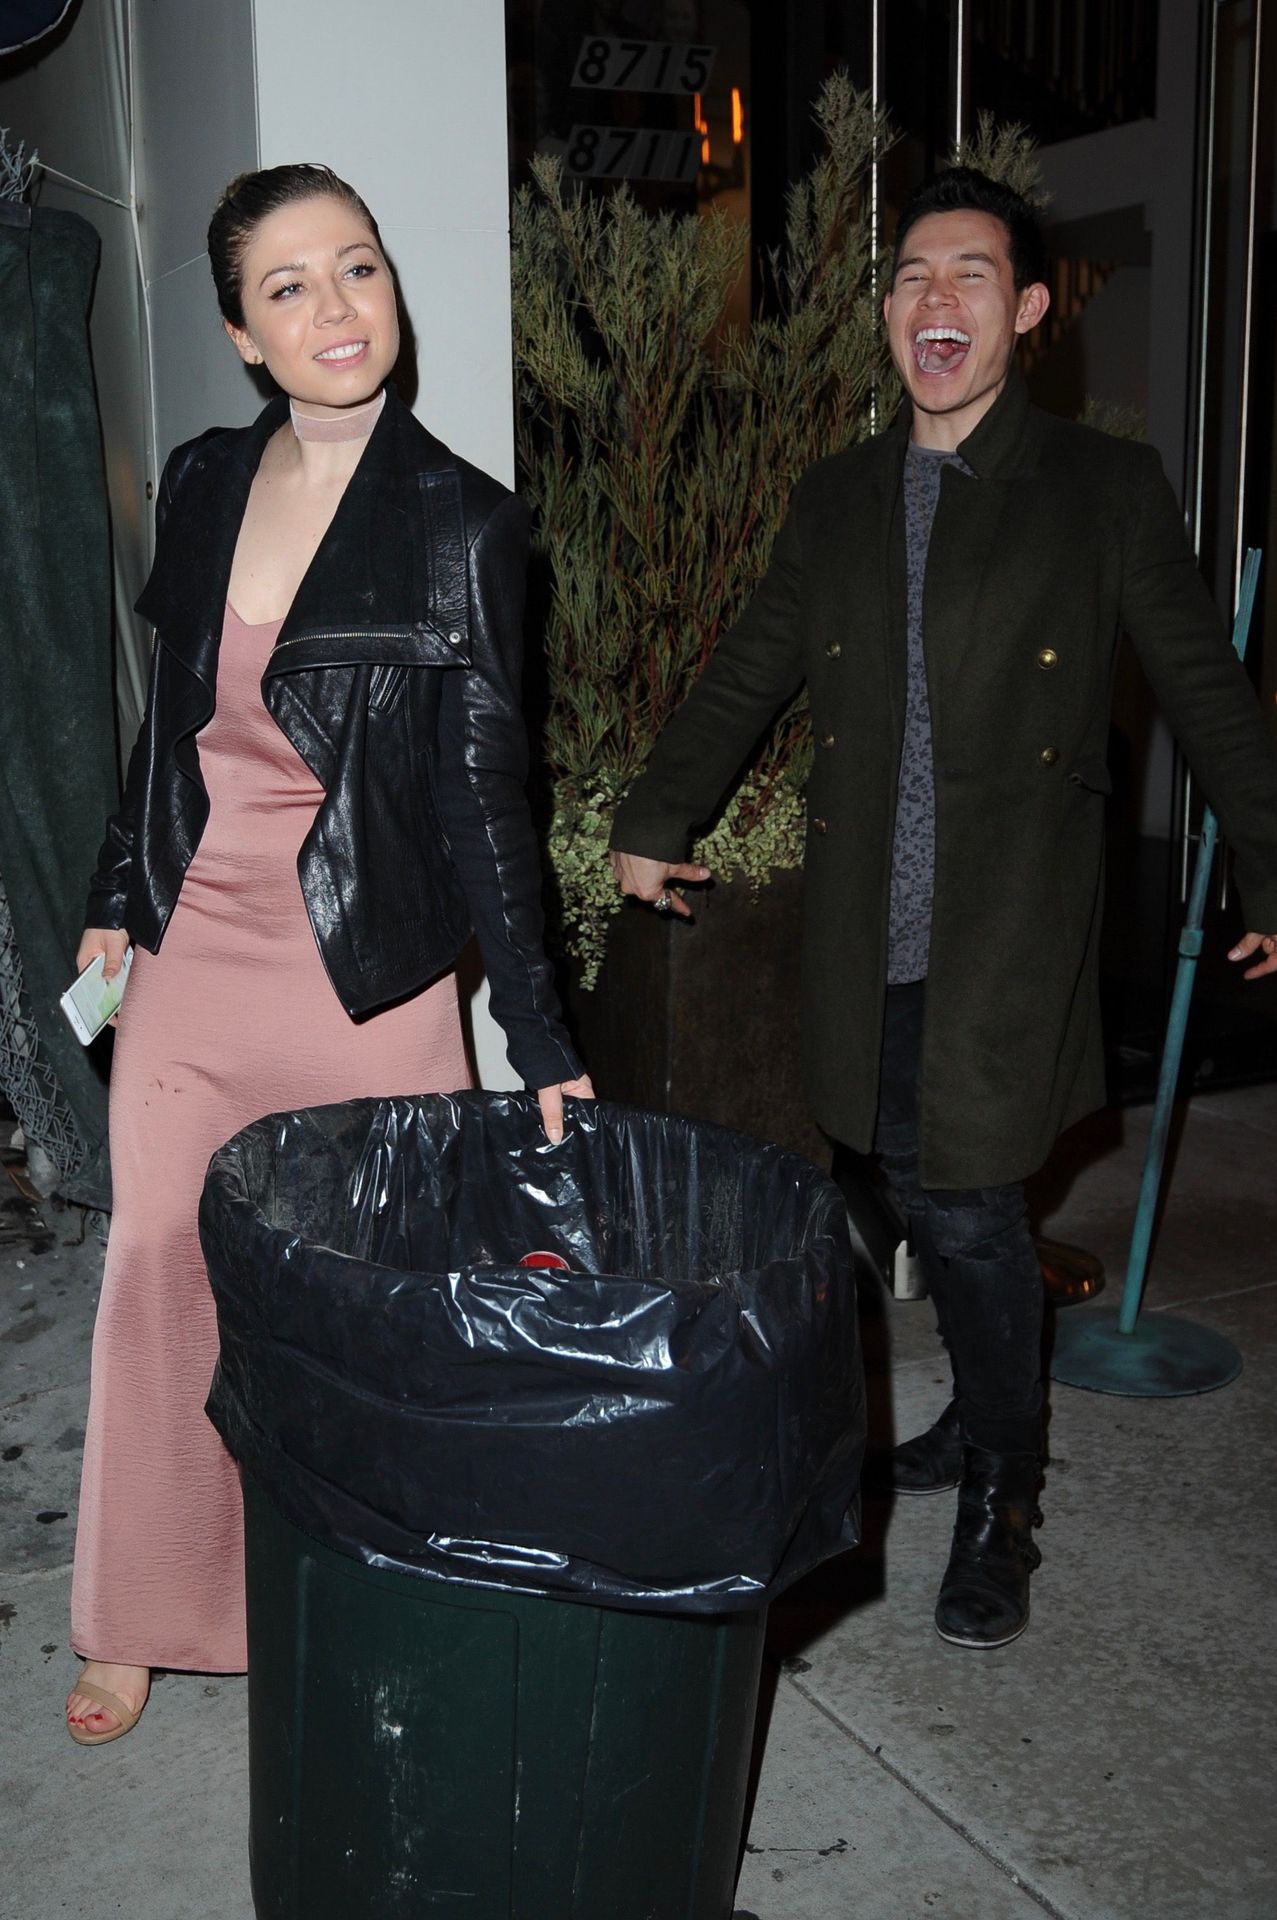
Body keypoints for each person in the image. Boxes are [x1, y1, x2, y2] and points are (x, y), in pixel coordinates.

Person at [609, 166, 1277, 1650]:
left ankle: (1002, 1494)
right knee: (892, 1169)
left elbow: (1206, 692)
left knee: (968, 1208)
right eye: (913, 272)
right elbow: (753, 664)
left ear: (1027, 311)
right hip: (869, 917)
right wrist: (656, 816)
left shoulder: (1100, 490)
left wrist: (1269, 861)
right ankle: (980, 1410)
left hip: (1004, 923)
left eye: (970, 273)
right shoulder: (840, 495)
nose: (936, 297)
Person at [65, 164, 592, 1743]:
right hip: (192, 948)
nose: (335, 306)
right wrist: (117, 887)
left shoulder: (461, 523)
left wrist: (539, 1036)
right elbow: (168, 722)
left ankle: (373, 1594)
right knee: (158, 1267)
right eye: (287, 285)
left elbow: (486, 798)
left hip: (362, 971)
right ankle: (145, 1607)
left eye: (356, 266)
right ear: (243, 333)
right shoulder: (204, 479)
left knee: (369, 1308)